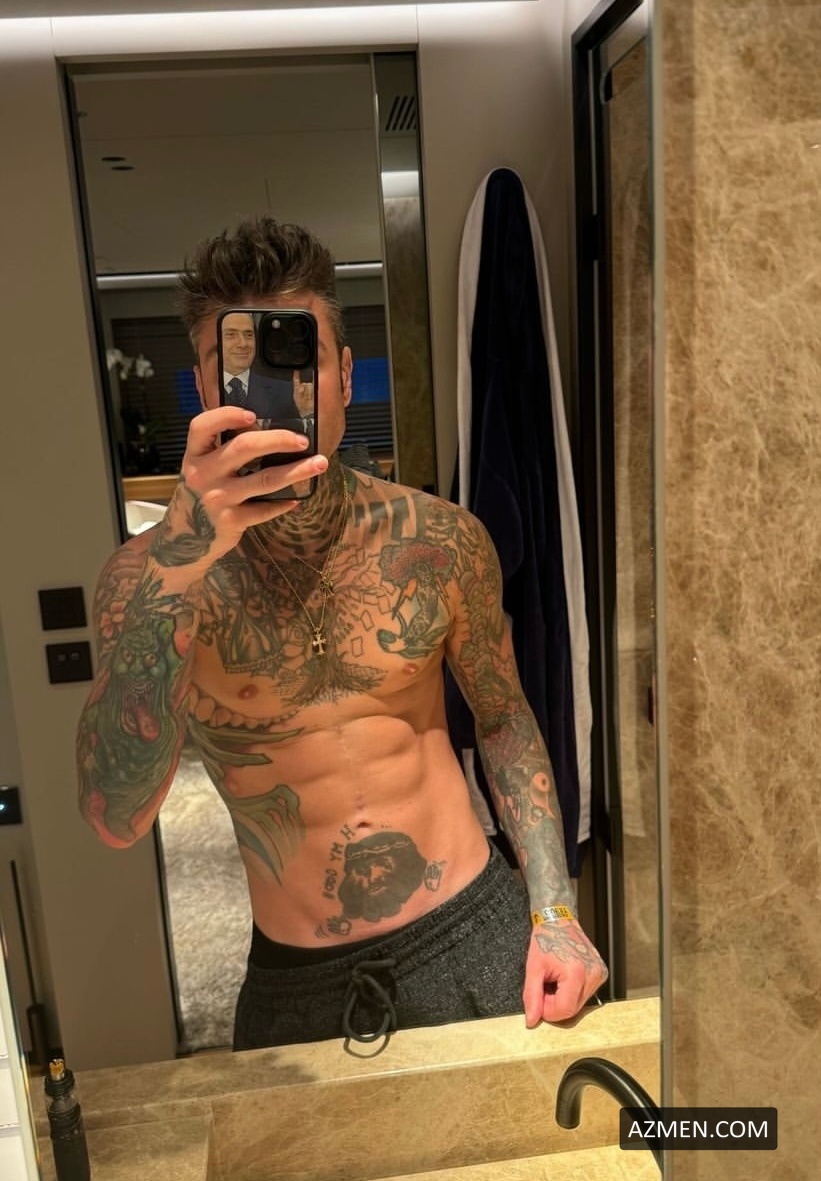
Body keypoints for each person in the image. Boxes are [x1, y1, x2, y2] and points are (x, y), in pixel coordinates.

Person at [76, 216, 607, 1051]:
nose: (278, 392)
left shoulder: (439, 540)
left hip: (475, 929)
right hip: (295, 980)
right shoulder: (145, 581)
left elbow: (503, 719)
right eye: (239, 367)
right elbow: (113, 814)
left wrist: (554, 910)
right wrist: (178, 564)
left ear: (346, 375)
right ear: (205, 388)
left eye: (302, 359)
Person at [220, 309, 296, 419]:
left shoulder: (285, 391)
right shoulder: (201, 391)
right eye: (231, 335)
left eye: (249, 335)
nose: (243, 344)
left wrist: (306, 412)